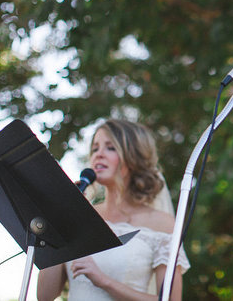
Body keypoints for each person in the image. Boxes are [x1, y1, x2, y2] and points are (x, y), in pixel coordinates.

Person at [37, 119, 190, 301]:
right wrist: (64, 217)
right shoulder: (81, 217)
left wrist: (104, 281)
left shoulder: (161, 223)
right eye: (95, 149)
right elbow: (44, 295)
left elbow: (171, 300)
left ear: (133, 157)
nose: (98, 155)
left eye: (110, 148)